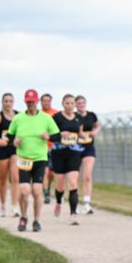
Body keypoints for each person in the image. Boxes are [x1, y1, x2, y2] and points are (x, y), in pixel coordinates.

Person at [8, 89, 61, 232]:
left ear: (37, 101)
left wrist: (48, 136)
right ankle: (24, 217)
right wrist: (14, 141)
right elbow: (9, 136)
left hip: (39, 159)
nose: (30, 104)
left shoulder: (46, 118)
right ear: (25, 102)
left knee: (37, 191)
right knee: (24, 190)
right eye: (28, 101)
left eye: (33, 101)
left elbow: (58, 136)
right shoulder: (18, 118)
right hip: (24, 158)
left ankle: (37, 220)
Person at [51, 94, 87, 225]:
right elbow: (50, 136)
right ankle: (59, 202)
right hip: (58, 153)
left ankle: (73, 214)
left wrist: (82, 136)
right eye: (67, 103)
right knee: (60, 185)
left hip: (74, 153)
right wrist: (60, 134)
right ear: (62, 104)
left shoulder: (78, 118)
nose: (70, 106)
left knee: (73, 183)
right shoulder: (56, 117)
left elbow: (80, 133)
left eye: (72, 103)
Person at [75, 95, 100, 214]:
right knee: (74, 176)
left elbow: (97, 125)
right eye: (79, 103)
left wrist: (95, 132)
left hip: (89, 147)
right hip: (75, 147)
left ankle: (86, 203)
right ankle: (74, 201)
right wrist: (79, 134)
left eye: (83, 102)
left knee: (87, 176)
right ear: (75, 105)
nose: (81, 104)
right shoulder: (74, 116)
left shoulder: (91, 115)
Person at [39, 93, 59, 205]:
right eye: (44, 101)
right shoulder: (38, 114)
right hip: (42, 146)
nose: (46, 103)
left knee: (52, 173)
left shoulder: (56, 113)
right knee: (45, 171)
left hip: (54, 146)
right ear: (41, 102)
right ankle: (46, 193)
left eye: (48, 101)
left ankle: (48, 186)